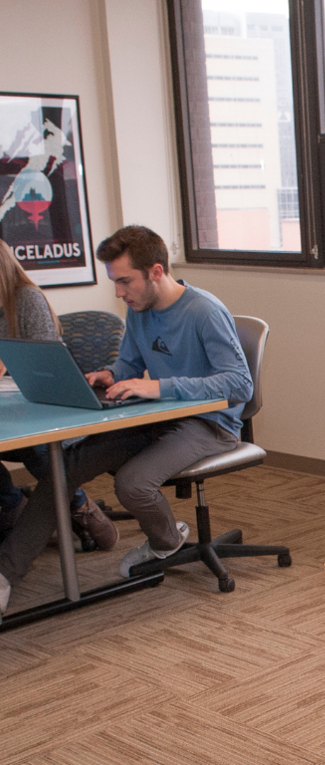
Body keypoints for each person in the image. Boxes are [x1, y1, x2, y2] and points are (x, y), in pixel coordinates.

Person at [0, 226, 252, 617]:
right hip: (156, 417)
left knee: (132, 483)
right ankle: (5, 574)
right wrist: (109, 374)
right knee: (63, 466)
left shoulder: (203, 311)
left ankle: (166, 541)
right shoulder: (140, 311)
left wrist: (158, 387)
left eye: (124, 281)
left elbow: (240, 383)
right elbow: (129, 366)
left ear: (155, 271)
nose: (119, 292)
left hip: (209, 423)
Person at [0, 238, 109, 556]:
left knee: (37, 451)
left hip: (47, 412)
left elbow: (44, 370)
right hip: (10, 412)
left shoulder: (26, 300)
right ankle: (15, 507)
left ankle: (81, 507)